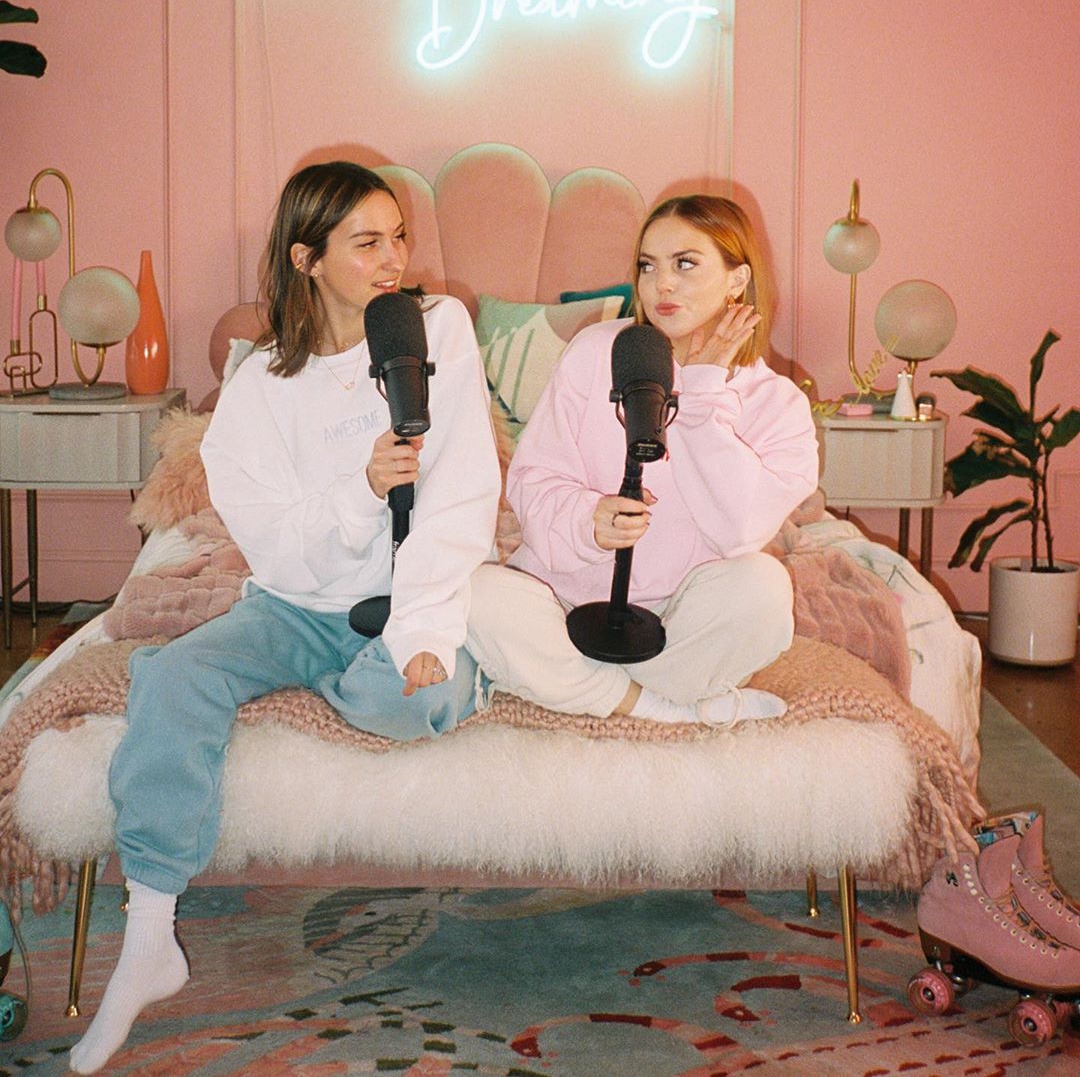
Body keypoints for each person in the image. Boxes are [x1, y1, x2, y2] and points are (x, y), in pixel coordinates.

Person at [70, 161, 500, 1074]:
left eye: (399, 238)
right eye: (366, 243)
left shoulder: (437, 330)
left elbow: (462, 491)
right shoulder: (261, 385)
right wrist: (361, 489)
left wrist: (425, 632)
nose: (393, 260)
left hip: (412, 591)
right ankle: (150, 934)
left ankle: (469, 669)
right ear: (307, 258)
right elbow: (274, 545)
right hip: (295, 601)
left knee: (412, 701)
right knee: (171, 675)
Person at [467, 194, 818, 729]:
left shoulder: (779, 405)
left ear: (738, 279)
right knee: (476, 596)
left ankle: (584, 687)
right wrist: (588, 520)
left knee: (764, 591)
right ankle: (663, 707)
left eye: (685, 264)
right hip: (565, 604)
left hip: (682, 616)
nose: (661, 285)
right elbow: (533, 478)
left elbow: (737, 532)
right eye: (648, 266)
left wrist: (701, 394)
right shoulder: (596, 350)